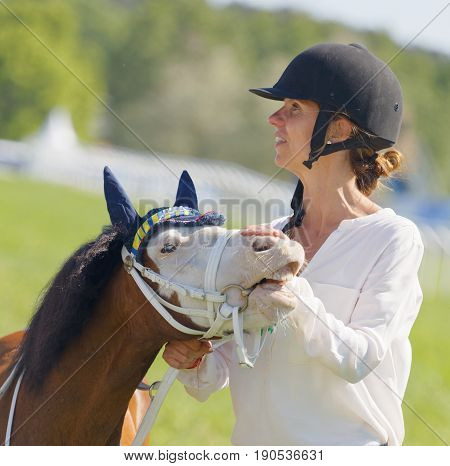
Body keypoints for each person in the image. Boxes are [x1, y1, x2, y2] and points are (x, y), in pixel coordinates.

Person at [162, 43, 424, 446]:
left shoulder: (394, 240)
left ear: (339, 129)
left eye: (294, 108)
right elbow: (227, 364)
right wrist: (196, 361)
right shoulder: (271, 235)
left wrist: (290, 289)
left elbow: (359, 359)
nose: (274, 118)